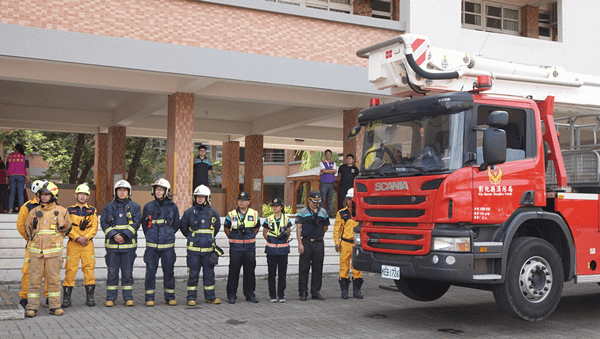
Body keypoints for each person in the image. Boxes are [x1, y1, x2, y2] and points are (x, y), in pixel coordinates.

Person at [24, 182, 71, 317]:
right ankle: (32, 307)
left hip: (53, 253)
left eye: (46, 194)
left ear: (53, 195)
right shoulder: (33, 211)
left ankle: (55, 306)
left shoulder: (62, 211)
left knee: (54, 280)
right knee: (34, 280)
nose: (43, 197)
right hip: (36, 252)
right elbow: (27, 228)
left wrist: (56, 239)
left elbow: (67, 227)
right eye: (42, 194)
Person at [100, 180, 141, 307]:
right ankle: (111, 298)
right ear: (115, 192)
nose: (122, 192)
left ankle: (128, 297)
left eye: (124, 190)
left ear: (129, 192)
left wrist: (123, 235)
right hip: (112, 247)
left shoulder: (135, 207)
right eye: (119, 190)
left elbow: (136, 223)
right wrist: (114, 235)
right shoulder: (108, 207)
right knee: (112, 272)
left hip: (128, 247)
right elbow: (104, 223)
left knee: (127, 272)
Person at [181, 185, 223, 306]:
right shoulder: (189, 213)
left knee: (209, 275)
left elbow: (216, 228)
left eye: (202, 197)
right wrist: (192, 237)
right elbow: (184, 228)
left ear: (207, 198)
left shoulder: (213, 213)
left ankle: (210, 297)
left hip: (208, 251)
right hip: (193, 251)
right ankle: (191, 298)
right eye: (198, 197)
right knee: (193, 275)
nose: (200, 199)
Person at [142, 179, 180, 307]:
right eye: (157, 189)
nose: (159, 192)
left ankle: (170, 297)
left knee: (169, 272)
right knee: (150, 272)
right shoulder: (148, 206)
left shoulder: (173, 206)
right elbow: (144, 225)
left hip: (168, 246)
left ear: (166, 191)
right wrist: (150, 236)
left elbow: (176, 225)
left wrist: (167, 235)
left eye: (161, 189)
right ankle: (149, 298)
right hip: (152, 246)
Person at [62, 183, 98, 308]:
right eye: (80, 194)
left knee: (89, 269)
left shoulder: (92, 210)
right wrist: (77, 237)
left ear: (87, 197)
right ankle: (66, 299)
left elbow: (94, 228)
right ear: (76, 195)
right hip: (73, 244)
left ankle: (90, 297)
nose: (82, 197)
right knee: (70, 270)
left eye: (85, 194)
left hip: (87, 244)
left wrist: (85, 238)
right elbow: (67, 226)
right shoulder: (69, 210)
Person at [16, 179, 48, 308]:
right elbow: (21, 225)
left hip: (48, 245)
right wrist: (29, 238)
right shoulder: (27, 206)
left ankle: (48, 296)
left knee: (48, 271)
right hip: (33, 244)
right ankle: (24, 296)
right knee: (28, 271)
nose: (46, 194)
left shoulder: (53, 206)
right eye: (44, 191)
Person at [224, 191, 260, 304]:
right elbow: (226, 228)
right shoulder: (231, 214)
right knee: (233, 272)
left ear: (248, 202)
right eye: (240, 200)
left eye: (244, 200)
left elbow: (257, 228)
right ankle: (231, 295)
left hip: (249, 248)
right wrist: (234, 238)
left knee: (249, 272)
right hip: (236, 248)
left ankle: (250, 294)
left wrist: (250, 237)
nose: (241, 202)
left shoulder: (254, 213)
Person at [296, 190, 330, 301]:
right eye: (313, 201)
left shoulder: (323, 212)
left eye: (317, 202)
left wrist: (318, 235)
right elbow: (298, 228)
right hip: (306, 242)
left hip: (319, 243)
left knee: (318, 268)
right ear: (308, 200)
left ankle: (315, 291)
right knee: (304, 268)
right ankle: (303, 292)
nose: (315, 204)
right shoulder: (302, 212)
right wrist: (300, 244)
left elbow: (325, 227)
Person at [333, 188, 363, 299]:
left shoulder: (360, 212)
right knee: (344, 267)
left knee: (357, 268)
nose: (350, 201)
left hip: (357, 244)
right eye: (349, 199)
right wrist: (337, 242)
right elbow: (337, 229)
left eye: (352, 199)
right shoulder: (341, 213)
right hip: (345, 244)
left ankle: (357, 291)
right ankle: (344, 291)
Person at [262, 198, 292, 303]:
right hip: (271, 250)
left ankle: (281, 295)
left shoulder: (286, 219)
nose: (275, 207)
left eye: (277, 206)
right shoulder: (268, 219)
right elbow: (264, 233)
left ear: (281, 207)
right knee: (271, 274)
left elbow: (288, 233)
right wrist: (271, 240)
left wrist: (284, 238)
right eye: (273, 206)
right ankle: (272, 295)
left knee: (282, 274)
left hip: (283, 250)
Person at [6, 144, 30, 213]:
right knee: (20, 193)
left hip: (11, 176)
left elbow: (7, 168)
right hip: (21, 175)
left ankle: (10, 209)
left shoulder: (10, 156)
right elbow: (27, 167)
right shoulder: (24, 156)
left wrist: (7, 178)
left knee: (12, 193)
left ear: (16, 149)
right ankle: (21, 209)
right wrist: (28, 176)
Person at [319, 149, 337, 216]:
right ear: (325, 155)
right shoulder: (321, 162)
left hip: (331, 183)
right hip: (324, 182)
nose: (328, 155)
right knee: (322, 199)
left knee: (330, 199)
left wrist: (326, 171)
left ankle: (329, 213)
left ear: (331, 155)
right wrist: (330, 171)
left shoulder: (333, 163)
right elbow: (324, 170)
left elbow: (335, 171)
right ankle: (321, 214)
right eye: (327, 154)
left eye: (329, 154)